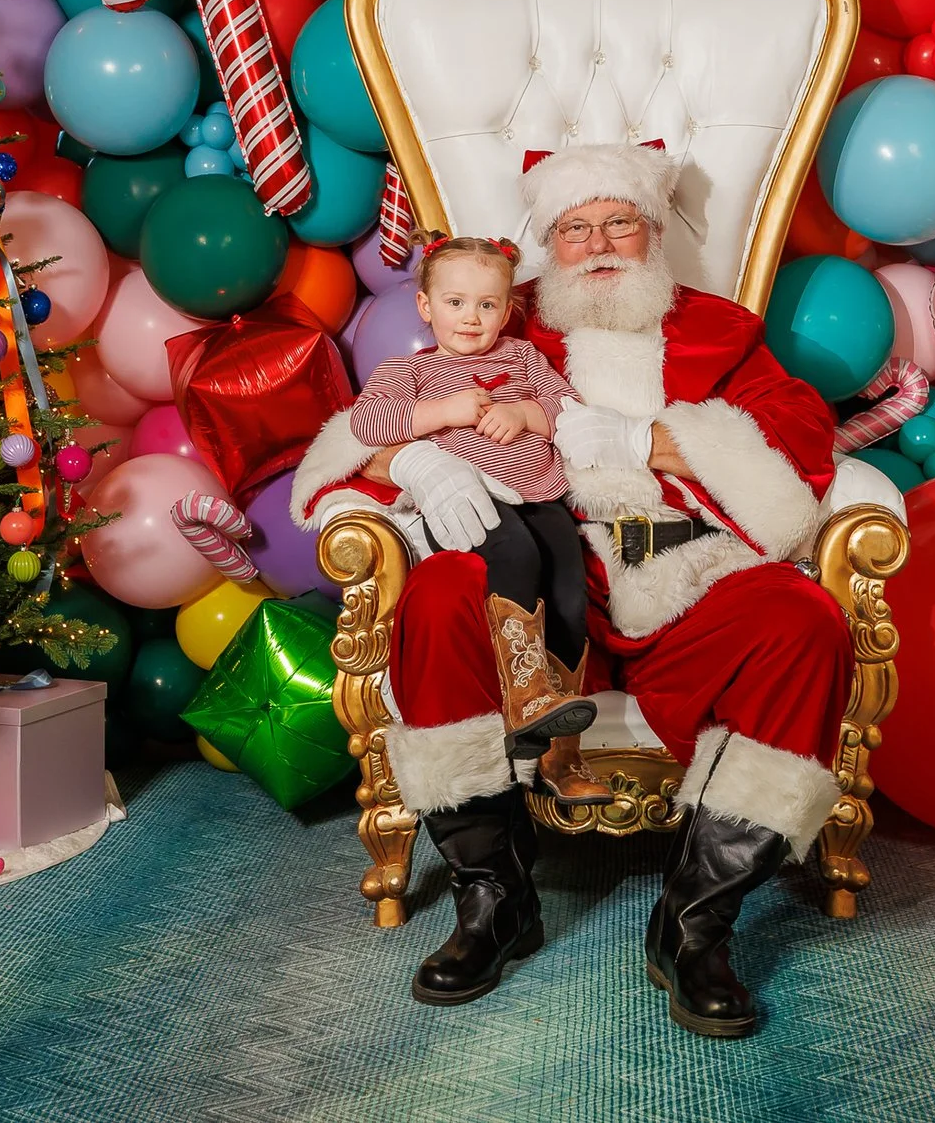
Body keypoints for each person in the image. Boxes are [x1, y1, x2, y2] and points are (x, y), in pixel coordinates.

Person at [293, 143, 852, 1038]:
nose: (598, 243)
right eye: (574, 226)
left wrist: (647, 441)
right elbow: (362, 430)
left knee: (805, 618)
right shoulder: (499, 325)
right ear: (548, 242)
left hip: (686, 572)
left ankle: (694, 926)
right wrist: (424, 459)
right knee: (439, 591)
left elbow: (797, 435)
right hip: (551, 583)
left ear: (653, 230)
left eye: (618, 221)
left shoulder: (718, 329)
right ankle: (494, 900)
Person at [340, 231, 612, 807]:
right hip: (467, 501)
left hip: (538, 493)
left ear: (507, 310)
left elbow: (569, 411)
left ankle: (563, 753)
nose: (470, 317)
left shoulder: (520, 359)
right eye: (455, 302)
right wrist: (446, 411)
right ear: (425, 306)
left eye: (487, 305)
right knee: (514, 555)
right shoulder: (409, 372)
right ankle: (526, 701)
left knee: (567, 590)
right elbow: (367, 427)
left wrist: (523, 412)